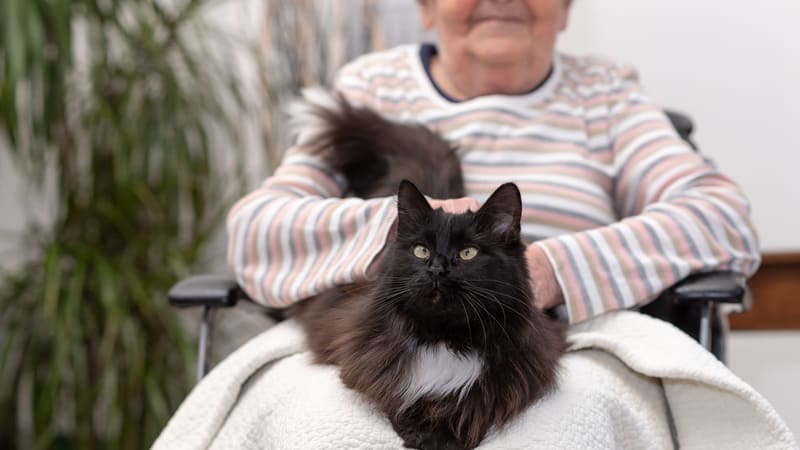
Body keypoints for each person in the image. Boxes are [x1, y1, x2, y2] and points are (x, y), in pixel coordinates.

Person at [226, 0, 760, 326]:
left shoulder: (605, 93)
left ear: (567, 9)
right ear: (427, 7)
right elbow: (256, 232)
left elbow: (721, 218)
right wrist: (393, 236)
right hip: (380, 330)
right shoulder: (370, 88)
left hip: (562, 340)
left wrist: (550, 271)